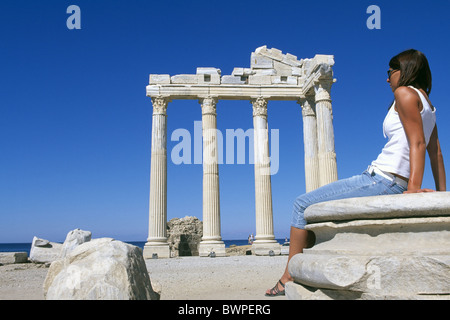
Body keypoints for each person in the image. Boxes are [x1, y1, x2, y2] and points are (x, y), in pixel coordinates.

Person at [265, 49, 446, 297]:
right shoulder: (428, 103)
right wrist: (441, 195)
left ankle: (288, 275)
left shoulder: (404, 94)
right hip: (390, 179)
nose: (387, 79)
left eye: (390, 72)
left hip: (383, 178)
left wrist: (413, 190)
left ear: (404, 71)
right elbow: (436, 153)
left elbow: (418, 144)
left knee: (300, 204)